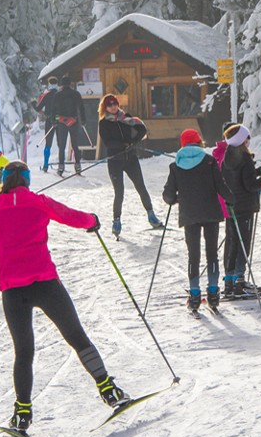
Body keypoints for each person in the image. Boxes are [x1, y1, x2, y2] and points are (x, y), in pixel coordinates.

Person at [0, 160, 129, 432]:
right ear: (28, 180)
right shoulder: (39, 202)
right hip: (46, 283)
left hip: (13, 290)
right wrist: (92, 220)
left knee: (24, 352)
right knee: (77, 337)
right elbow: (71, 216)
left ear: (4, 181)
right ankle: (109, 391)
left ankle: (22, 414)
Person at [162, 130, 234, 312]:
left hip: (189, 214)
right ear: (199, 142)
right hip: (210, 212)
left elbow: (168, 195)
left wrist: (175, 199)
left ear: (183, 144)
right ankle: (213, 292)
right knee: (212, 253)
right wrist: (231, 199)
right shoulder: (209, 162)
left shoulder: (175, 166)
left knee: (193, 254)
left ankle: (194, 294)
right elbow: (221, 185)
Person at [97, 93, 162, 236]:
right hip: (115, 160)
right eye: (110, 105)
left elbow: (142, 129)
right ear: (105, 107)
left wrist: (134, 142)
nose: (113, 107)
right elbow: (108, 142)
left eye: (115, 104)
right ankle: (116, 221)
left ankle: (151, 215)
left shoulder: (126, 117)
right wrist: (123, 145)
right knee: (119, 192)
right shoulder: (104, 123)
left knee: (141, 187)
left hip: (131, 158)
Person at [220, 124, 261, 298]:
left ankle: (229, 279)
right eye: (247, 137)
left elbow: (239, 177)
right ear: (242, 140)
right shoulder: (245, 159)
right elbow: (250, 184)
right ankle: (239, 280)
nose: (249, 140)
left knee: (234, 242)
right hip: (245, 206)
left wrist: (259, 171)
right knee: (243, 243)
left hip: (232, 206)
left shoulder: (228, 157)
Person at [52, 76, 83, 176]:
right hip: (73, 120)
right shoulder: (76, 94)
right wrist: (84, 120)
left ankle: (61, 166)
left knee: (62, 145)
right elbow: (81, 107)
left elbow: (54, 109)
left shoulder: (57, 95)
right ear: (70, 84)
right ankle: (77, 165)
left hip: (62, 121)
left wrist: (54, 120)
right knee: (75, 144)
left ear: (61, 84)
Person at [33, 77, 59, 172]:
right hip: (59, 121)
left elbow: (38, 108)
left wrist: (33, 103)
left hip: (49, 120)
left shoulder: (47, 95)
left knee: (48, 143)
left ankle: (45, 165)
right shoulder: (60, 95)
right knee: (61, 143)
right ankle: (61, 165)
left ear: (49, 85)